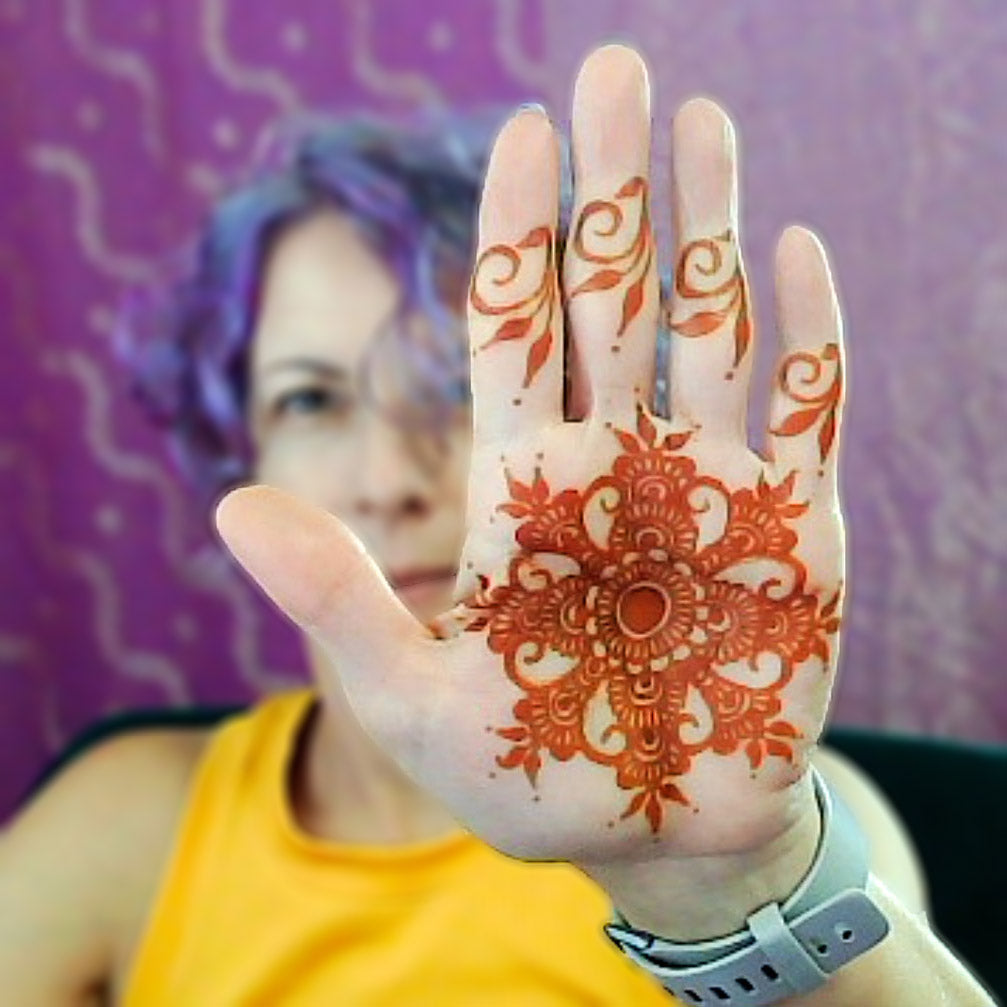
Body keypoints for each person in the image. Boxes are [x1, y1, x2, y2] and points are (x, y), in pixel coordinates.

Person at [0, 44, 994, 1006]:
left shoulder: (772, 824)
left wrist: (724, 891)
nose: (390, 478)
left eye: (455, 392)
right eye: (310, 399)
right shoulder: (128, 822)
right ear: (237, 444)